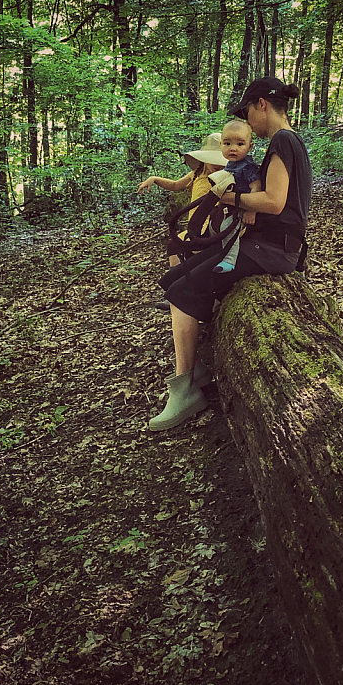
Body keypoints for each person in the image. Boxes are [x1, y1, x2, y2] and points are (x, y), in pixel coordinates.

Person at [149, 77, 312, 432]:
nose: (248, 122)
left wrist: (229, 198)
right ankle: (195, 359)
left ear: (261, 105)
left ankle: (186, 388)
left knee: (182, 290)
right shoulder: (289, 140)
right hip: (265, 246)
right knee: (173, 278)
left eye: (247, 113)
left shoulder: (283, 140)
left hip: (271, 251)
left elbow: (273, 201)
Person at [137, 132, 228, 268]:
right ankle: (178, 274)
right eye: (213, 159)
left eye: (221, 161)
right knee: (178, 248)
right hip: (195, 224)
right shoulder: (196, 174)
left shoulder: (224, 177)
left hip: (210, 225)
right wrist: (154, 179)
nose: (218, 164)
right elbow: (175, 185)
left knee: (179, 247)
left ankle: (180, 275)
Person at [212, 118, 261, 274]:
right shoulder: (230, 164)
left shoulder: (247, 166)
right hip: (230, 206)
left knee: (228, 227)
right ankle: (216, 251)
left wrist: (251, 211)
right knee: (215, 226)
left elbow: (256, 186)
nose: (233, 149)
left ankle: (229, 260)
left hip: (243, 207)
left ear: (249, 146)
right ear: (220, 144)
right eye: (227, 143)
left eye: (240, 144)